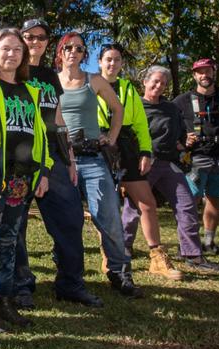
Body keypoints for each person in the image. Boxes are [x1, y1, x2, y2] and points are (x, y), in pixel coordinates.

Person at [13, 19, 102, 309]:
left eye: (41, 37)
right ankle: (21, 285)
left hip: (53, 157)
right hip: (20, 159)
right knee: (16, 226)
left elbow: (59, 119)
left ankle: (70, 284)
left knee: (70, 220)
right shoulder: (11, 71)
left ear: (48, 43)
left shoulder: (51, 76)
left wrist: (71, 159)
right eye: (29, 36)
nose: (34, 41)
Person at [0, 27, 53, 332]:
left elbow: (42, 134)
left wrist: (44, 171)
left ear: (23, 55)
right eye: (5, 48)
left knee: (10, 241)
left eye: (17, 50)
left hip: (22, 180)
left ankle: (4, 299)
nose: (11, 54)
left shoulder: (30, 89)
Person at [56, 32, 143, 298]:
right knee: (66, 222)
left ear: (84, 54)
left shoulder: (93, 80)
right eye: (68, 47)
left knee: (107, 216)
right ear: (60, 52)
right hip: (61, 159)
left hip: (92, 158)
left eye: (79, 48)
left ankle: (119, 272)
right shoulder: (50, 83)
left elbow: (118, 109)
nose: (73, 52)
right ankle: (67, 273)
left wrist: (112, 138)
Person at [122, 66, 219, 272]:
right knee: (133, 207)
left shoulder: (170, 108)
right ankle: (123, 247)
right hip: (142, 163)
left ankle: (192, 254)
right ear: (145, 82)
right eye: (155, 81)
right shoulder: (132, 106)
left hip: (168, 163)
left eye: (163, 83)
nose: (159, 86)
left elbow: (179, 137)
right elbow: (125, 136)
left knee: (186, 203)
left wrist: (183, 142)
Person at [97, 44, 183, 281]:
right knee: (107, 205)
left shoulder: (127, 88)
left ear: (122, 64)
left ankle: (157, 256)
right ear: (100, 62)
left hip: (126, 146)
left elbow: (140, 125)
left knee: (147, 202)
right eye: (108, 59)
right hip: (99, 146)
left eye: (116, 60)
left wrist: (145, 151)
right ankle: (109, 255)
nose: (112, 64)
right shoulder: (90, 84)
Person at [173, 58, 219, 255]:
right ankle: (187, 244)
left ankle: (209, 242)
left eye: (208, 71)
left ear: (214, 72)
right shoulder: (182, 101)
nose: (204, 75)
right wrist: (181, 139)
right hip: (196, 157)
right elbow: (168, 121)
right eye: (200, 72)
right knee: (190, 200)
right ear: (194, 75)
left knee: (216, 200)